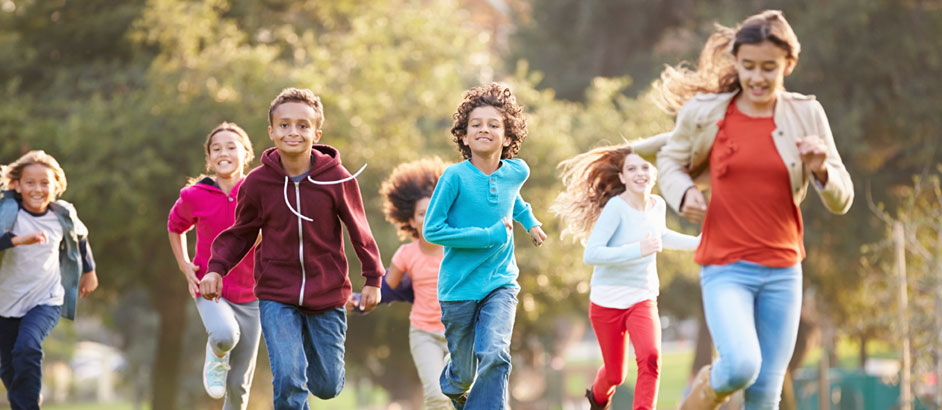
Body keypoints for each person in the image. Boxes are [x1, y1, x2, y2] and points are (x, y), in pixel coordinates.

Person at [646, 10, 853, 409]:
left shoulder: (807, 114)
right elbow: (670, 161)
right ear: (736, 62)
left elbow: (842, 198)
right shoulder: (708, 113)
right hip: (726, 267)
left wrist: (821, 169)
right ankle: (707, 387)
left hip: (783, 271)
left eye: (769, 68)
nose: (757, 78)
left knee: (764, 394)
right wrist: (684, 192)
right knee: (741, 365)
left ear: (788, 65)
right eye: (749, 66)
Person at [200, 88, 385, 409]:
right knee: (288, 378)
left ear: (317, 133)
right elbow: (241, 232)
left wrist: (373, 278)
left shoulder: (337, 179)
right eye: (284, 125)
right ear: (271, 132)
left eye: (302, 125)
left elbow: (360, 229)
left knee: (327, 385)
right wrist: (216, 268)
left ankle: (317, 371)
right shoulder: (258, 183)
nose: (293, 132)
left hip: (327, 294)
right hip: (276, 295)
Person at [423, 83, 548, 410]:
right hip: (459, 289)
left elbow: (513, 200)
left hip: (500, 283)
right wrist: (488, 235)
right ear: (463, 136)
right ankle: (454, 385)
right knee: (464, 374)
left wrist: (530, 222)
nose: (484, 129)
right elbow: (432, 229)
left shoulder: (516, 172)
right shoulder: (454, 178)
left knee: (495, 353)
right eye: (476, 124)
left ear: (508, 137)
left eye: (494, 124)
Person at [553, 145, 699, 410]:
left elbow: (661, 236)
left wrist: (699, 243)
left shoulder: (658, 206)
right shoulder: (615, 208)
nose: (640, 173)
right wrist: (637, 250)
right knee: (615, 375)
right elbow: (592, 254)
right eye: (632, 168)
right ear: (622, 177)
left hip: (642, 296)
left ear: (654, 173)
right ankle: (597, 401)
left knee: (651, 357)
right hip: (606, 302)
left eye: (645, 167)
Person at [167, 122, 261, 408]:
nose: (224, 153)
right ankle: (217, 354)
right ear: (208, 159)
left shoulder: (259, 189)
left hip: (254, 295)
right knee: (223, 335)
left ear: (246, 154)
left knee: (238, 386)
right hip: (210, 289)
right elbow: (175, 226)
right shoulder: (195, 195)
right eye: (216, 149)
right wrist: (185, 265)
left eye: (232, 147)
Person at [0, 150, 98, 410]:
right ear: (17, 185)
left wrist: (90, 272)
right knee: (7, 366)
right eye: (30, 182)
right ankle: (29, 394)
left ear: (56, 186)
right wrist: (19, 240)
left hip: (46, 300)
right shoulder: (7, 214)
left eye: (45, 183)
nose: (38, 189)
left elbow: (80, 238)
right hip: (5, 302)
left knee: (27, 348)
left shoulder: (61, 215)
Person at [354, 157, 452, 409]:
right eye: (422, 213)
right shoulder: (406, 255)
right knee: (436, 396)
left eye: (434, 210)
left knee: (464, 392)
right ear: (411, 221)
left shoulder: (458, 247)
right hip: (424, 333)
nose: (429, 218)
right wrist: (357, 302)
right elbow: (386, 289)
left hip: (460, 332)